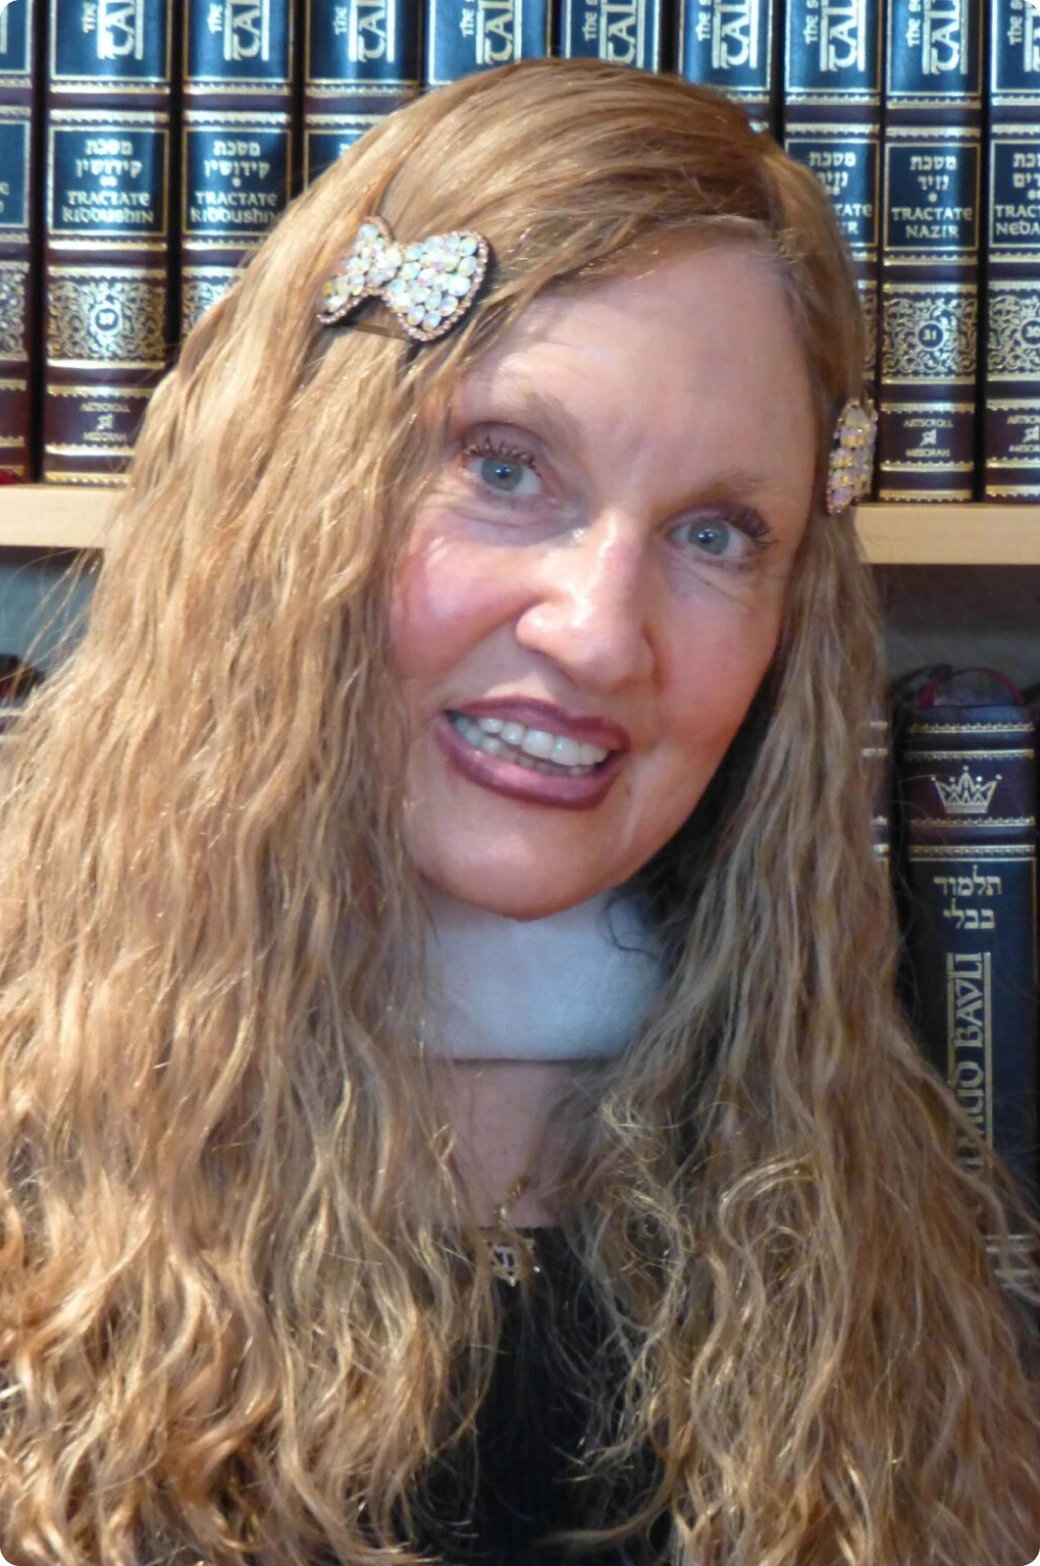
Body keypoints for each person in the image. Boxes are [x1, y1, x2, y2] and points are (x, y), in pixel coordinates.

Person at [0, 56, 1038, 1566]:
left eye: (714, 530)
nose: (603, 633)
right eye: (505, 467)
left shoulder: (873, 1243)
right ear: (298, 500)